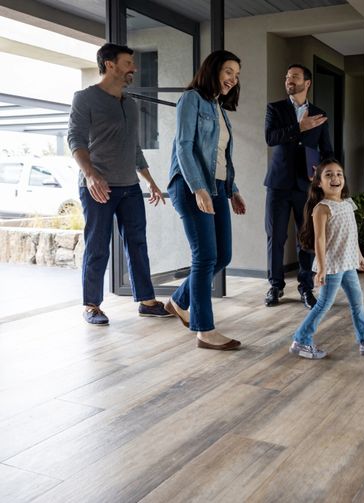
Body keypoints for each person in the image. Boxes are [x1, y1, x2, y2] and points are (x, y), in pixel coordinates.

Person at [68, 43, 173, 325]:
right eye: (128, 63)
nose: (134, 69)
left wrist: (149, 181)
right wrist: (91, 175)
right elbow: (75, 141)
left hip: (129, 187)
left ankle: (147, 301)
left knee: (137, 243)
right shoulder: (85, 98)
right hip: (98, 187)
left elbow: (134, 147)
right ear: (110, 64)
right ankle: (91, 305)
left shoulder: (131, 104)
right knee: (98, 245)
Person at [164, 50, 246, 351]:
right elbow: (184, 147)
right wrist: (197, 188)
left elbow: (220, 157)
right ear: (213, 70)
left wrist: (232, 190)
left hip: (217, 186)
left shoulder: (218, 109)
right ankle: (204, 329)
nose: (232, 79)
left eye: (236, 75)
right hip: (189, 185)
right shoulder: (192, 100)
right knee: (205, 256)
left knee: (222, 255)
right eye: (228, 71)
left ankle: (178, 301)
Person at [289, 159, 364, 359]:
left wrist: (359, 255)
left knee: (357, 302)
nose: (335, 178)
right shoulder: (322, 208)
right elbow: (319, 240)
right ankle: (301, 340)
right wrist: (322, 268)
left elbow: (352, 234)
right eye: (328, 174)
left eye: (339, 174)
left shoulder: (347, 204)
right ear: (319, 183)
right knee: (324, 303)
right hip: (333, 265)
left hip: (348, 262)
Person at [263, 63, 333, 309]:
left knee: (306, 239)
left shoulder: (320, 113)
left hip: (307, 187)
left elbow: (328, 151)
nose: (289, 80)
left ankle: (306, 287)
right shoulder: (276, 108)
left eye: (294, 76)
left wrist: (322, 170)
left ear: (307, 83)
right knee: (276, 237)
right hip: (278, 185)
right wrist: (299, 127)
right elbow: (271, 138)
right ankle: (275, 286)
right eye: (287, 76)